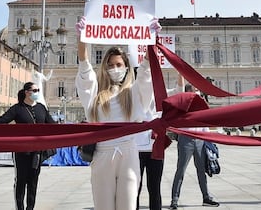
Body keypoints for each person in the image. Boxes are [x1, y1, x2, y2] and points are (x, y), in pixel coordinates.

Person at [75, 17, 154, 210]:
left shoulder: (133, 93)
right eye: (110, 65)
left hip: (128, 152)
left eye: (118, 64)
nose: (114, 68)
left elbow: (145, 71)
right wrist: (82, 39)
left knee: (128, 206)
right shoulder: (95, 93)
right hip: (102, 154)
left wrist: (153, 40)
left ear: (126, 67)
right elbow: (85, 66)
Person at [0, 82, 57, 210]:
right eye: (34, 90)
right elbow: (2, 120)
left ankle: (30, 208)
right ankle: (19, 208)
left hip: (37, 152)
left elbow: (52, 125)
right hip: (21, 151)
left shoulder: (41, 108)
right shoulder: (17, 108)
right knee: (21, 181)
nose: (37, 93)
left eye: (38, 90)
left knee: (33, 182)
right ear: (27, 92)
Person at [135, 72, 184, 210]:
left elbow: (178, 92)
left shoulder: (161, 95)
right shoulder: (133, 93)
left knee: (155, 188)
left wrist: (179, 71)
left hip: (155, 148)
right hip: (135, 148)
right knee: (134, 189)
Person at [169, 84, 219, 209]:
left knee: (201, 170)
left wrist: (208, 138)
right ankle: (174, 200)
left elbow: (204, 121)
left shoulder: (200, 104)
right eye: (195, 90)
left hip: (200, 139)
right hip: (185, 139)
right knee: (181, 170)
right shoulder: (182, 105)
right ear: (188, 92)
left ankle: (206, 197)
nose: (198, 92)